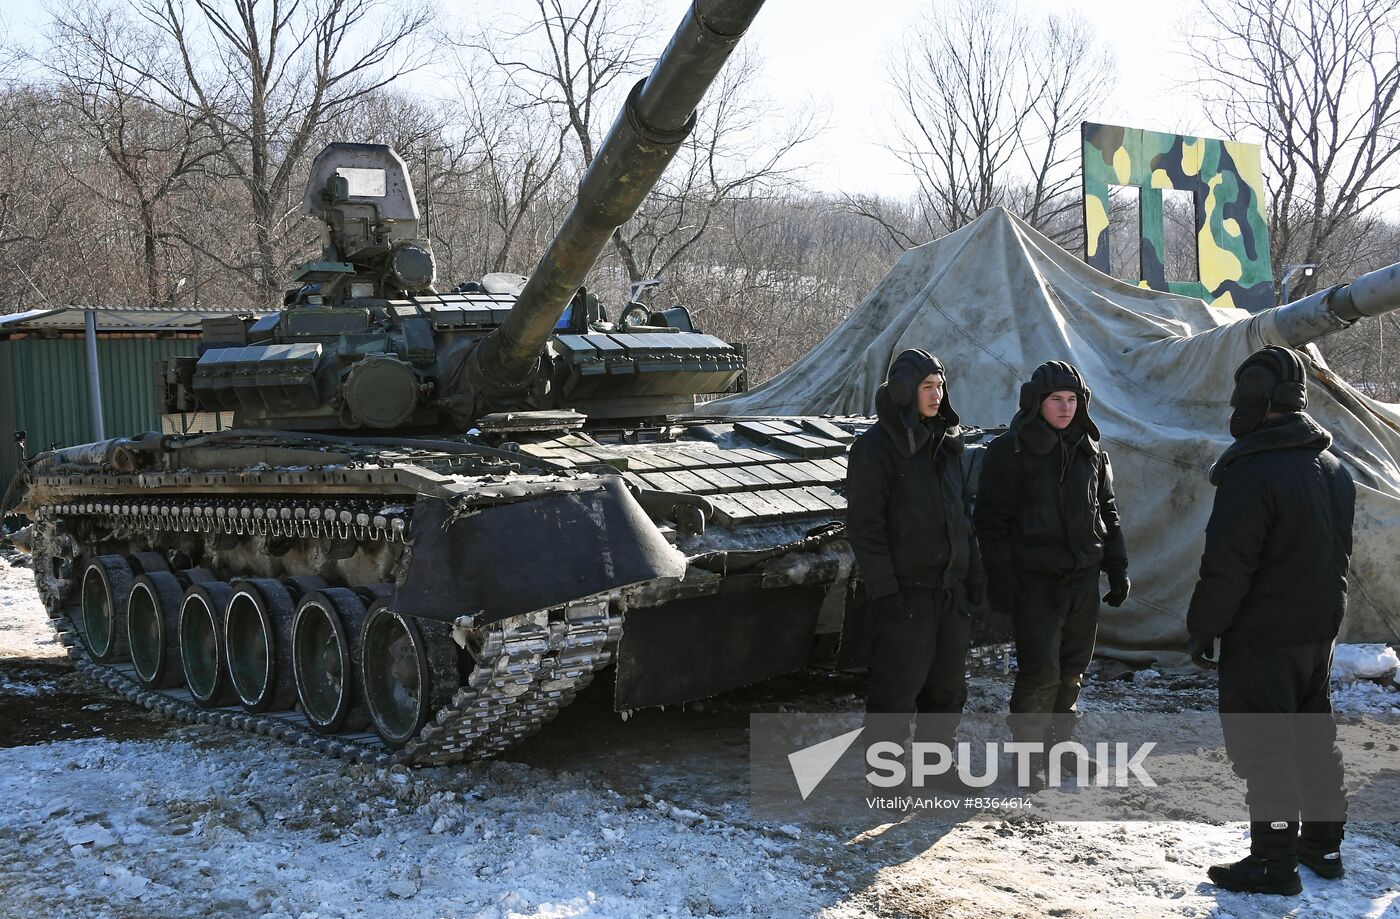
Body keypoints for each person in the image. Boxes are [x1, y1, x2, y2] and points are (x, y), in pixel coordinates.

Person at [1187, 345, 1352, 896]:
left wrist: (1203, 625)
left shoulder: (1253, 471)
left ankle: (1273, 861)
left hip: (1263, 635)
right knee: (1313, 740)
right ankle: (1323, 845)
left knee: (1268, 747)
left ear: (1255, 397)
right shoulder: (1332, 467)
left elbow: (1228, 564)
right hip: (1317, 632)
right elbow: (1340, 557)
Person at [974, 361, 1129, 788]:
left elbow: (1108, 512)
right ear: (1037, 402)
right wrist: (1001, 578)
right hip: (1035, 581)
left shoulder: (1091, 448)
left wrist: (1117, 567)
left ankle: (1060, 749)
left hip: (1082, 578)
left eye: (1072, 399)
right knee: (1040, 672)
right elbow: (991, 522)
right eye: (1056, 399)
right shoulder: (1010, 451)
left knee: (1072, 669)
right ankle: (1026, 760)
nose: (1065, 408)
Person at [846, 349, 984, 782]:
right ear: (905, 391)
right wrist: (884, 590)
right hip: (905, 592)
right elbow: (865, 528)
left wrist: (971, 577)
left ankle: (936, 769)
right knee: (897, 689)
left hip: (947, 590)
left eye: (940, 386)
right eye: (928, 387)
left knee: (946, 688)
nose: (937, 395)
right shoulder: (875, 448)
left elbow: (960, 516)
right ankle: (883, 775)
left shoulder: (945, 443)